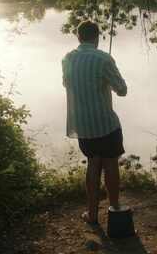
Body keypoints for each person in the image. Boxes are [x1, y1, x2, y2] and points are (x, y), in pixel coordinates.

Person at [62, 20, 127, 224]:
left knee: (93, 164)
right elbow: (122, 90)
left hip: (83, 126)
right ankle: (115, 209)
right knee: (110, 164)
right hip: (105, 124)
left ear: (79, 37)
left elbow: (67, 83)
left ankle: (92, 214)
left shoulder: (68, 59)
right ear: (97, 37)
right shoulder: (104, 59)